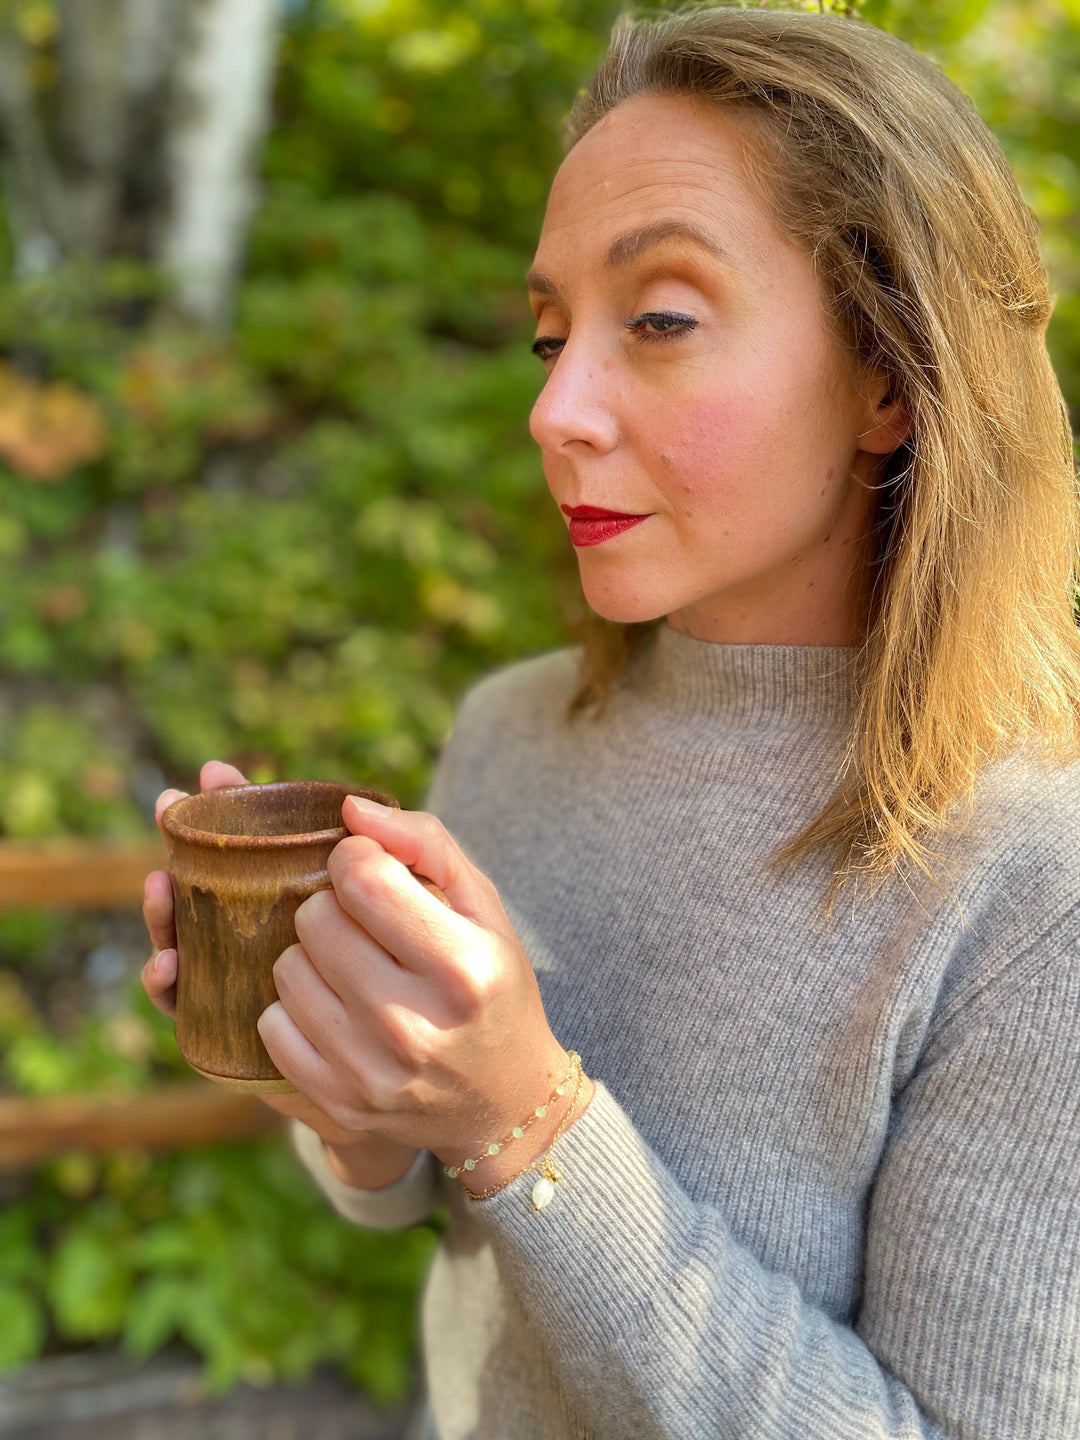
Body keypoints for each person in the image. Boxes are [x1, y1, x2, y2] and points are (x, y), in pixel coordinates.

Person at [142, 5, 1080, 1437]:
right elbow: (421, 1212)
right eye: (549, 334)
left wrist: (528, 1120)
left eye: (658, 320)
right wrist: (343, 1070)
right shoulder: (511, 731)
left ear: (890, 378)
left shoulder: (1033, 880)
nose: (556, 408)